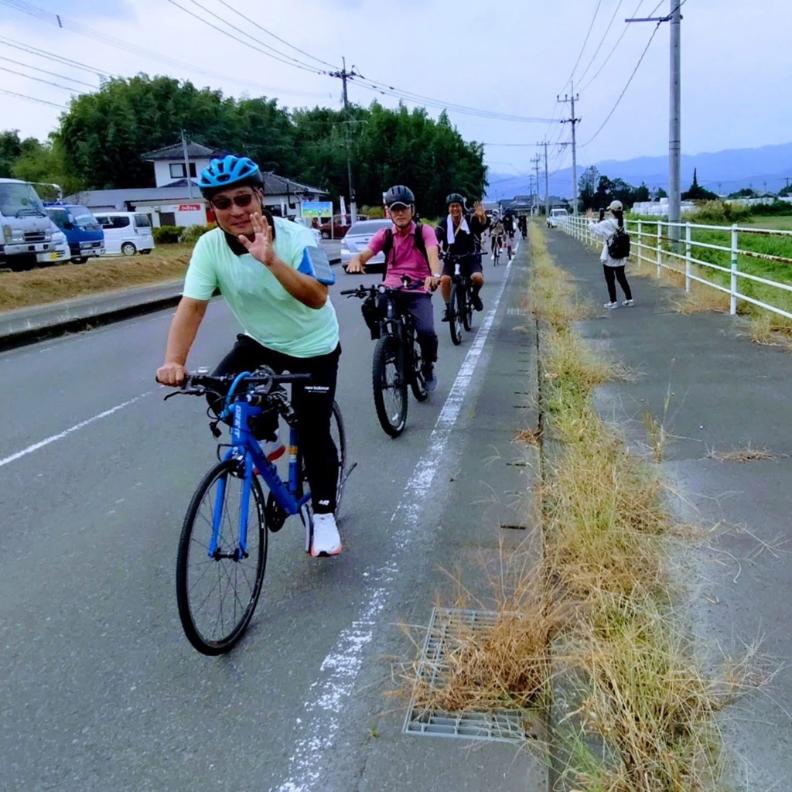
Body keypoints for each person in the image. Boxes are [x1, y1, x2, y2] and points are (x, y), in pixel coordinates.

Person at [156, 154, 344, 558]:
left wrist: (272, 260)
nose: (236, 210)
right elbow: (193, 307)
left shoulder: (297, 237)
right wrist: (174, 361)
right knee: (219, 392)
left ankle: (325, 515)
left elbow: (317, 297)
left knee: (313, 431)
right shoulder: (209, 247)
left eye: (244, 199)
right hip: (261, 341)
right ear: (213, 210)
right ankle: (268, 440)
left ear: (260, 196)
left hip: (313, 345)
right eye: (223, 203)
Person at [346, 185, 442, 391]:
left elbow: (433, 254)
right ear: (388, 212)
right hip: (391, 289)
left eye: (403, 208)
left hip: (418, 289)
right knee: (369, 306)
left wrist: (434, 276)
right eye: (394, 209)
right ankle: (386, 343)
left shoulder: (424, 232)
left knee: (426, 331)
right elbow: (366, 253)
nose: (399, 213)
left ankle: (427, 364)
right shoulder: (385, 235)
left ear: (412, 210)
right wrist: (357, 259)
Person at [437, 193, 489, 318]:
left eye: (457, 206)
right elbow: (435, 237)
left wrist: (482, 217)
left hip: (469, 258)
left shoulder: (470, 219)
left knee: (478, 278)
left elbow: (482, 226)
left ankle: (475, 296)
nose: (455, 209)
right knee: (444, 280)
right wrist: (436, 248)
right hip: (451, 259)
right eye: (452, 206)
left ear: (462, 207)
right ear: (448, 208)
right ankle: (448, 307)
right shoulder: (444, 223)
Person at [587, 199, 634, 309]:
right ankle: (629, 299)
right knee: (621, 277)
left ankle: (613, 302)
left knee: (610, 279)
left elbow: (594, 229)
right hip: (621, 254)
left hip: (610, 255)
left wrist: (589, 219)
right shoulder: (623, 222)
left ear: (611, 211)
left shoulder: (607, 223)